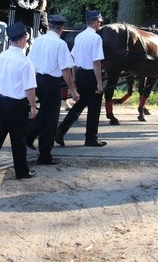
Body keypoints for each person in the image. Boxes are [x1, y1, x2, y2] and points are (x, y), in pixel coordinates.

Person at [0, 21, 38, 181]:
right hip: (16, 104)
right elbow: (29, 88)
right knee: (19, 139)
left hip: (1, 100)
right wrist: (33, 106)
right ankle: (22, 171)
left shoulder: (2, 56)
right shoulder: (25, 61)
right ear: (23, 39)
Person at [26, 14, 79, 165]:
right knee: (51, 118)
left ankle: (30, 135)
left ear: (49, 26)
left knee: (44, 112)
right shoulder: (60, 44)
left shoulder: (38, 40)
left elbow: (29, 61)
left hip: (38, 79)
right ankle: (44, 155)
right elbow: (65, 70)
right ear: (61, 28)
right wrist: (73, 90)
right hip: (51, 81)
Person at [55, 10, 107, 147]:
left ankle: (61, 131)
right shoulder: (96, 38)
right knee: (94, 107)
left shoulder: (79, 37)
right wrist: (99, 83)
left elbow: (73, 59)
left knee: (80, 104)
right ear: (95, 22)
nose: (100, 25)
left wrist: (73, 79)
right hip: (91, 75)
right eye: (99, 22)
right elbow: (96, 62)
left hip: (80, 74)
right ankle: (91, 137)